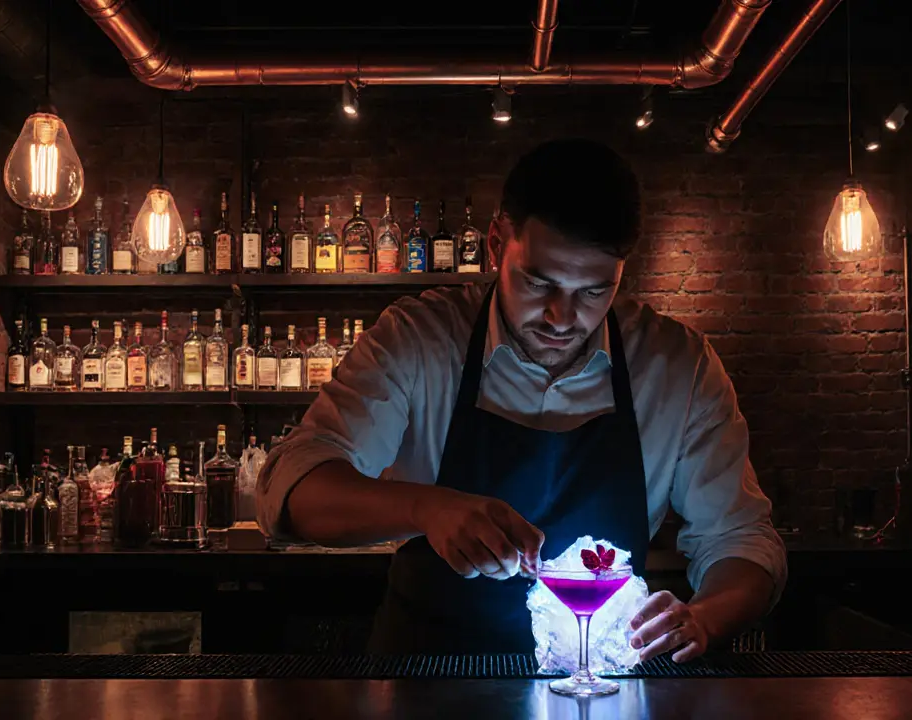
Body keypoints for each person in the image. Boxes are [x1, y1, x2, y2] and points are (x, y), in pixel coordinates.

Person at [257, 138, 786, 662]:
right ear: (495, 243)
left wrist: (704, 618)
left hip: (600, 682)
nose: (561, 317)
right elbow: (290, 490)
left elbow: (742, 540)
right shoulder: (419, 339)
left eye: (593, 292)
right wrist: (425, 506)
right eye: (539, 282)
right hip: (425, 677)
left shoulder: (678, 366)